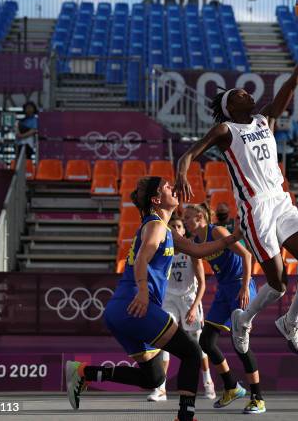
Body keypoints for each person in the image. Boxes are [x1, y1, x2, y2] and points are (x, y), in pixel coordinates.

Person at [174, 20, 298, 356]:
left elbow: (294, 81)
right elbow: (189, 153)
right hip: (255, 208)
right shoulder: (225, 130)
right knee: (277, 282)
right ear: (231, 107)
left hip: (281, 202)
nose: (246, 92)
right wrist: (182, 172)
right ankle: (244, 319)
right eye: (239, 94)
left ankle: (290, 321)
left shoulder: (265, 119)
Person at [64, 177, 242, 421]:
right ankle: (186, 416)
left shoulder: (165, 230)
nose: (174, 188)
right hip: (136, 305)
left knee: (154, 378)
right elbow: (141, 260)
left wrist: (234, 237)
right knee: (191, 352)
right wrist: (143, 291)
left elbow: (199, 250)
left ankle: (85, 372)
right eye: (168, 187)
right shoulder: (156, 227)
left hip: (120, 310)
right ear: (157, 200)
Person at [184, 204, 266, 414]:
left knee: (241, 344)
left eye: (188, 217)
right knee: (206, 341)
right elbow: (200, 277)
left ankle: (258, 398)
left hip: (240, 286)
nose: (184, 220)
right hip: (223, 291)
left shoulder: (217, 231)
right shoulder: (194, 244)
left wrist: (245, 287)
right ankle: (231, 386)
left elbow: (247, 256)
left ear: (200, 217)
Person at [147, 215, 216, 402]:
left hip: (188, 299)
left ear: (184, 230)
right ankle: (161, 389)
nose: (176, 229)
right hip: (169, 299)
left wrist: (194, 308)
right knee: (165, 340)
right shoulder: (163, 251)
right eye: (172, 227)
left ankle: (208, 382)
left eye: (179, 226)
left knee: (197, 341)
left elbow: (202, 283)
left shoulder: (191, 251)